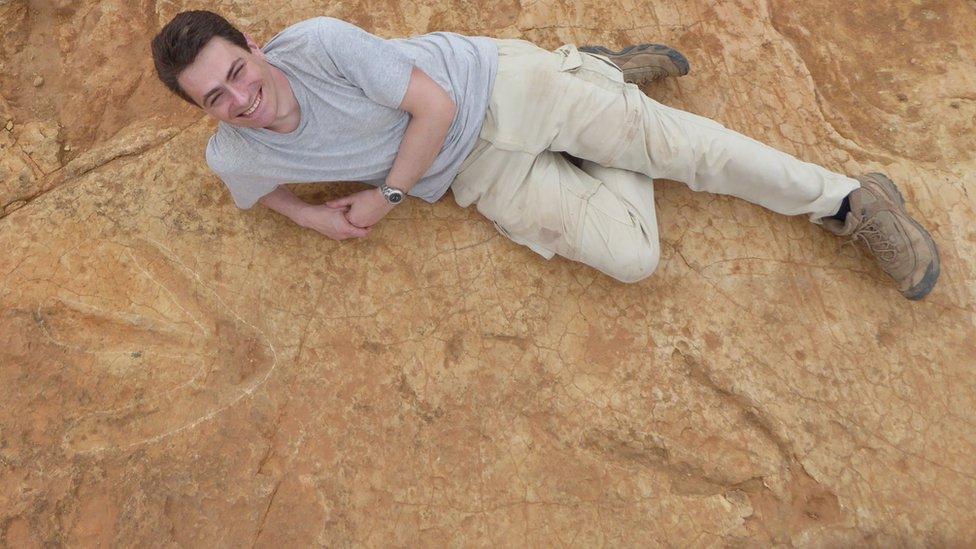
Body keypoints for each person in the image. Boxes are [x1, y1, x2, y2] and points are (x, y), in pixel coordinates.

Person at [151, 11, 940, 300]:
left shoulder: (321, 43)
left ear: (254, 45)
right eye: (215, 98)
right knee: (632, 258)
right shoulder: (235, 152)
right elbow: (255, 191)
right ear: (203, 114)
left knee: (685, 152)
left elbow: (437, 106)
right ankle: (606, 81)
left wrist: (384, 198)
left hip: (498, 88)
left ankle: (850, 201)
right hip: (471, 172)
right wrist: (313, 218)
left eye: (237, 71)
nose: (240, 98)